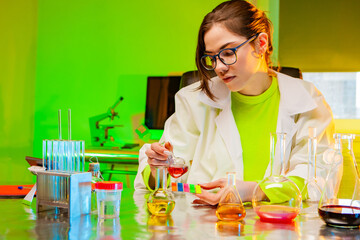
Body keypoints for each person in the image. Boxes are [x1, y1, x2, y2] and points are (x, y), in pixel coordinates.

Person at [134, 0, 334, 205]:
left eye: (228, 53)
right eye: (212, 58)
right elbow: (162, 178)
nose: (219, 67)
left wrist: (257, 191)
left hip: (281, 227)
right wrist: (159, 169)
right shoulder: (193, 101)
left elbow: (318, 176)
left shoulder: (308, 101)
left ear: (261, 43)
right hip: (207, 229)